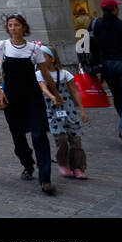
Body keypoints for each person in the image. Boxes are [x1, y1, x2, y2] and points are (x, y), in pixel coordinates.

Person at [0, 12, 61, 195]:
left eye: (17, 25)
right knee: (18, 136)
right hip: (12, 96)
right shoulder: (2, 46)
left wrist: (55, 93)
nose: (13, 28)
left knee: (39, 134)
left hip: (32, 96)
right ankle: (27, 164)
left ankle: (45, 178)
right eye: (10, 25)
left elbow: (45, 73)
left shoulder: (34, 49)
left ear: (24, 28)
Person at [88, 0, 122, 149]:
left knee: (118, 98)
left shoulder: (97, 25)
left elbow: (92, 47)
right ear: (114, 9)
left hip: (107, 66)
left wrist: (95, 66)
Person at [36, 47, 89, 178]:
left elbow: (75, 91)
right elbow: (43, 88)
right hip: (53, 112)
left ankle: (78, 167)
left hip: (69, 110)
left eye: (44, 57)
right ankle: (63, 163)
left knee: (76, 139)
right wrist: (53, 97)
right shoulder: (39, 74)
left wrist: (82, 110)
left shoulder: (65, 73)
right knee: (61, 138)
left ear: (52, 59)